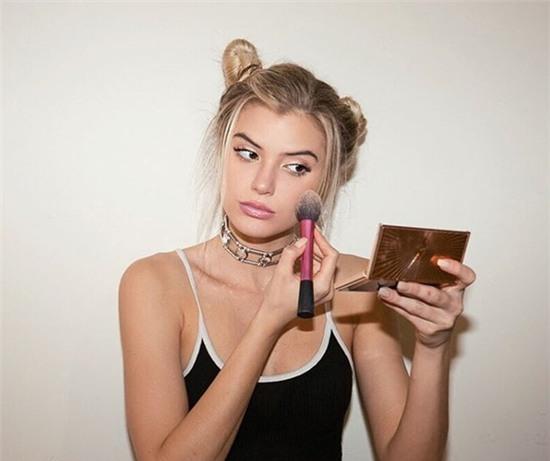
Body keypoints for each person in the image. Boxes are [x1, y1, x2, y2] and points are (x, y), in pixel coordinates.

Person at [118, 38, 476, 461]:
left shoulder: (355, 287)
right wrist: (270, 320)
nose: (263, 183)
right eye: (248, 153)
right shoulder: (156, 284)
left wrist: (433, 348)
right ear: (222, 153)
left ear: (327, 179)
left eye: (296, 166)